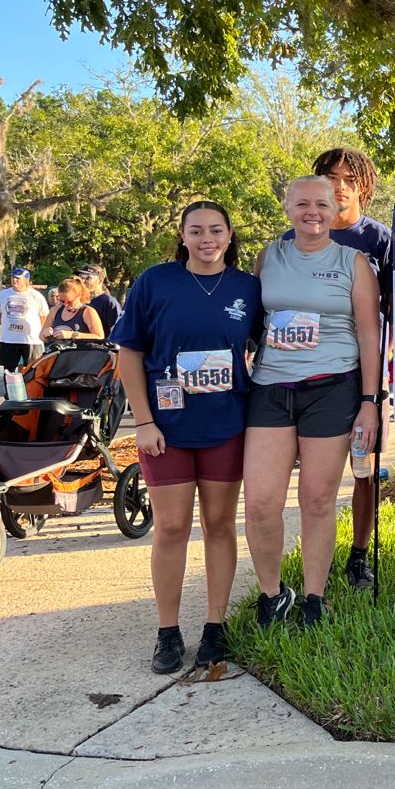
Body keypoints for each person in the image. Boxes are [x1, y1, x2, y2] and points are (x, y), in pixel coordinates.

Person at [111, 201, 263, 673]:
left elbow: (268, 347)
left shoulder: (248, 288)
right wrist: (143, 421)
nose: (206, 239)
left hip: (226, 425)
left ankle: (215, 627)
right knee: (172, 527)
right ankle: (168, 631)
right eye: (196, 231)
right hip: (166, 429)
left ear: (230, 235)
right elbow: (129, 353)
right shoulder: (155, 282)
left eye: (215, 230)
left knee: (219, 525)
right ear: (182, 236)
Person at [243, 175, 382, 628]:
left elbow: (369, 334)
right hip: (271, 387)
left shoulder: (353, 262)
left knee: (317, 499)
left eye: (321, 204)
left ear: (335, 209)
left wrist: (369, 401)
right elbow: (251, 324)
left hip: (332, 386)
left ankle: (313, 598)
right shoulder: (269, 256)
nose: (312, 212)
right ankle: (272, 594)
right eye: (302, 204)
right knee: (260, 502)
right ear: (287, 208)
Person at [286, 147, 393, 591]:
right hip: (311, 375)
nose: (341, 185)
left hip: (365, 375)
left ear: (364, 187)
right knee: (318, 476)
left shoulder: (380, 239)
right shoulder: (297, 237)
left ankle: (359, 555)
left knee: (363, 468)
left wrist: (382, 374)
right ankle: (320, 556)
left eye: (351, 179)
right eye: (332, 177)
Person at [0, 267, 50, 377]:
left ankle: (31, 388)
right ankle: (10, 388)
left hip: (31, 340)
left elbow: (44, 316)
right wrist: (9, 325)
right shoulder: (2, 294)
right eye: (12, 277)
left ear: (26, 280)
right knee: (9, 371)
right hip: (9, 339)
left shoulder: (36, 296)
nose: (14, 280)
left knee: (33, 369)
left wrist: (37, 331)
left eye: (18, 278)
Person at [40, 277, 105, 342]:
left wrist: (72, 334)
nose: (65, 305)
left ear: (79, 295)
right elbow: (41, 337)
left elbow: (99, 336)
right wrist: (45, 334)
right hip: (56, 348)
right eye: (62, 301)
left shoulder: (88, 312)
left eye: (69, 302)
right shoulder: (55, 310)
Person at [74, 264, 121, 335]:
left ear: (100, 281)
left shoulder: (109, 302)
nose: (83, 281)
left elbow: (118, 332)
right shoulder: (78, 300)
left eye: (88, 278)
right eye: (81, 277)